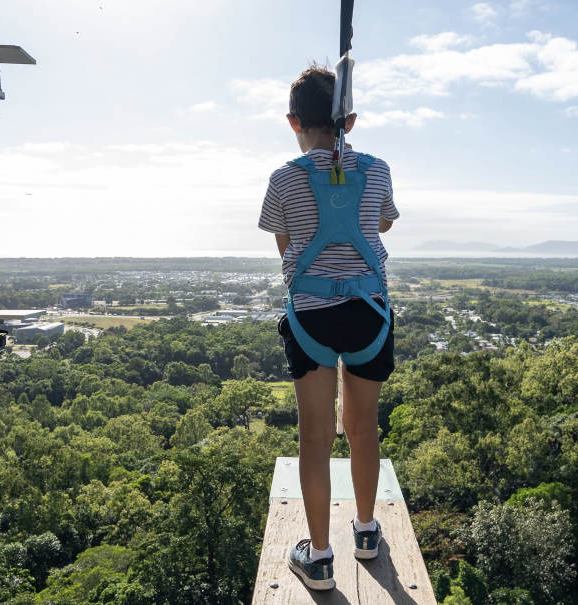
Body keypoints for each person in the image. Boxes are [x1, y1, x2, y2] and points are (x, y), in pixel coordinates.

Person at [258, 64, 400, 591]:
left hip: (310, 315)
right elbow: (382, 222)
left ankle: (318, 557)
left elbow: (286, 245)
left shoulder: (284, 179)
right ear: (351, 119)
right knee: (363, 427)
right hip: (370, 312)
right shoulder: (379, 169)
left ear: (293, 121)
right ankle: (365, 531)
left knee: (315, 437)